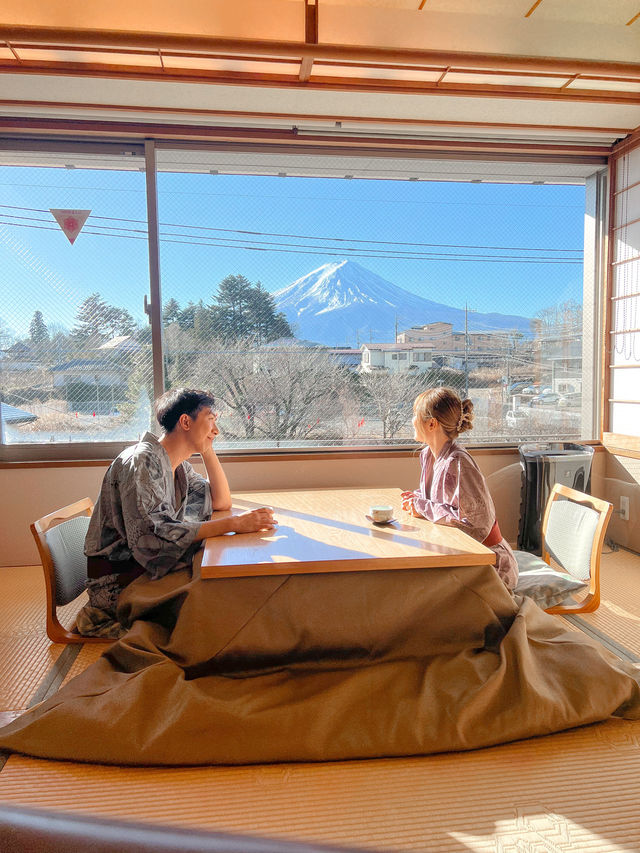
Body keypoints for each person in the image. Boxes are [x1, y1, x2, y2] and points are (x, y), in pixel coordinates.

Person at [78, 388, 275, 637]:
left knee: (229, 595)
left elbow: (220, 501)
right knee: (221, 607)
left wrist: (207, 448)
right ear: (185, 421)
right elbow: (152, 537)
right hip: (120, 586)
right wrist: (234, 524)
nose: (217, 430)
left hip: (147, 571)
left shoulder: (177, 466)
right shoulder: (143, 461)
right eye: (211, 420)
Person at [401, 387, 518, 590]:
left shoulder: (458, 461)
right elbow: (442, 502)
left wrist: (422, 507)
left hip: (489, 567)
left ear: (431, 423)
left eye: (414, 415)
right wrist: (417, 499)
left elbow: (477, 525)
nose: (412, 420)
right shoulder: (428, 454)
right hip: (462, 557)